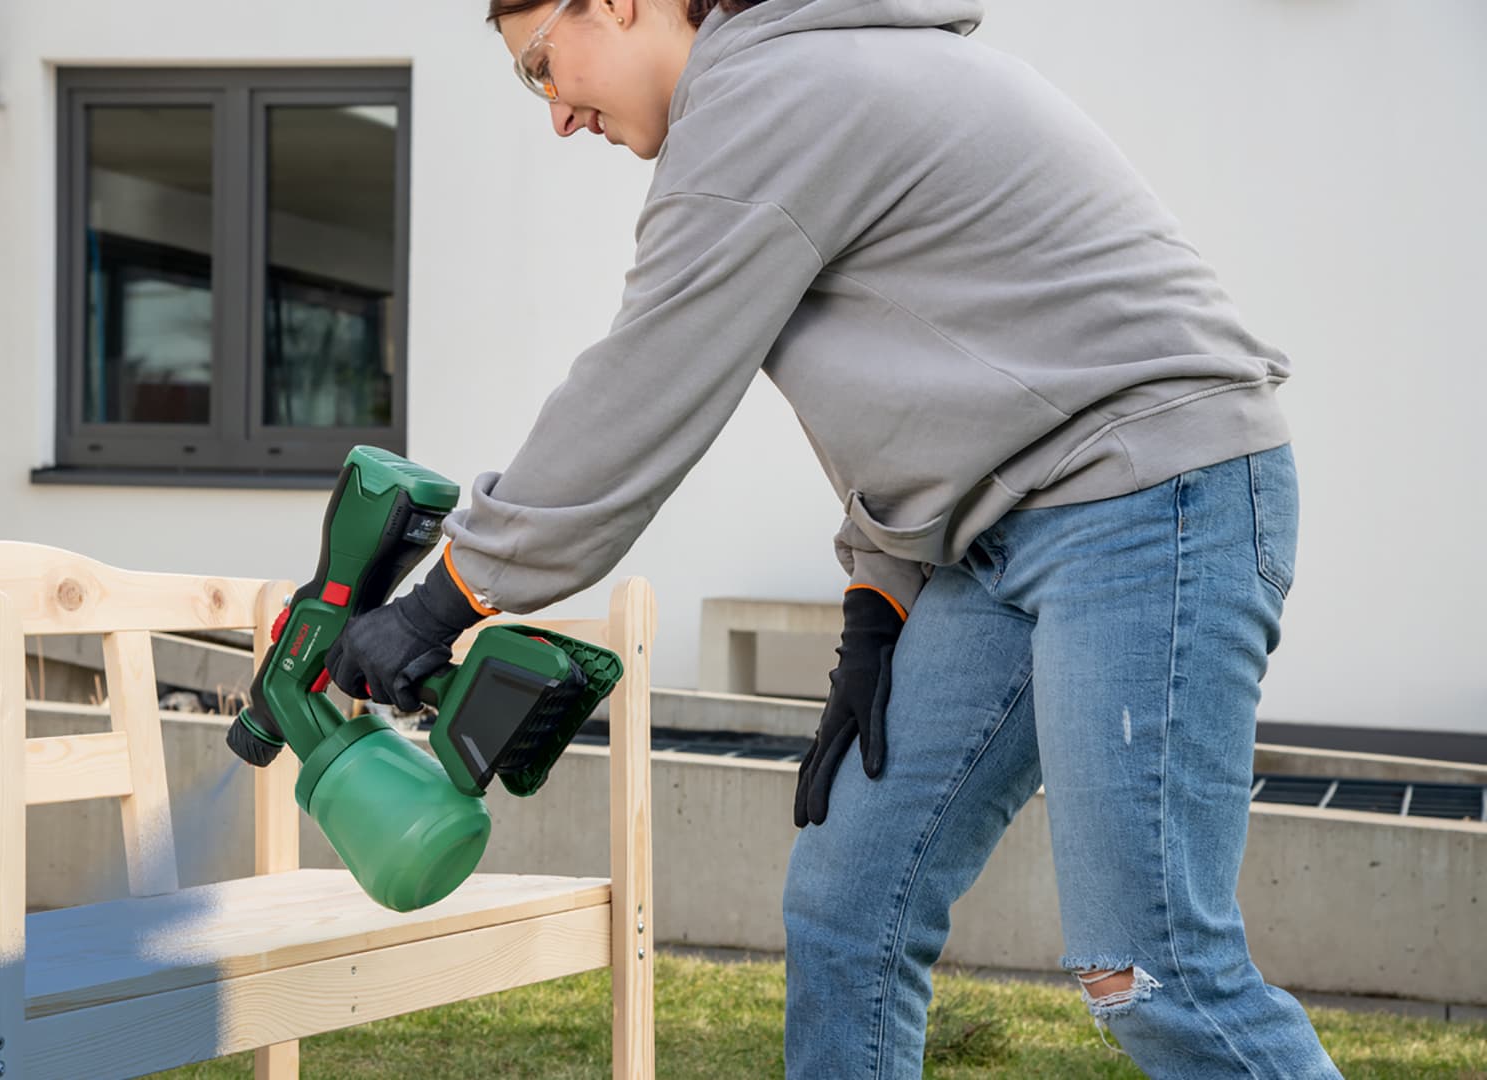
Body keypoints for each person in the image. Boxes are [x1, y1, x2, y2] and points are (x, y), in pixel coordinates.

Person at [322, 1, 1342, 1075]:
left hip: (1150, 500)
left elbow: (642, 389)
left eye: (542, 67)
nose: (557, 118)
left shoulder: (770, 96)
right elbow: (924, 390)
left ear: (618, 1)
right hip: (1006, 535)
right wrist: (877, 606)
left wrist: (447, 598)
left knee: (1148, 970)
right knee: (850, 906)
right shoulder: (786, 93)